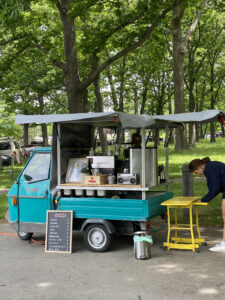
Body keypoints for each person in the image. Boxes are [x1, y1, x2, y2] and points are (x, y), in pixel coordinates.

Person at [189, 157, 225, 252]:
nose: (198, 174)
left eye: (196, 172)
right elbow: (215, 186)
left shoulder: (209, 168)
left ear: (199, 167)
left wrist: (203, 200)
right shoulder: (210, 166)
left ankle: (224, 244)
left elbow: (215, 188)